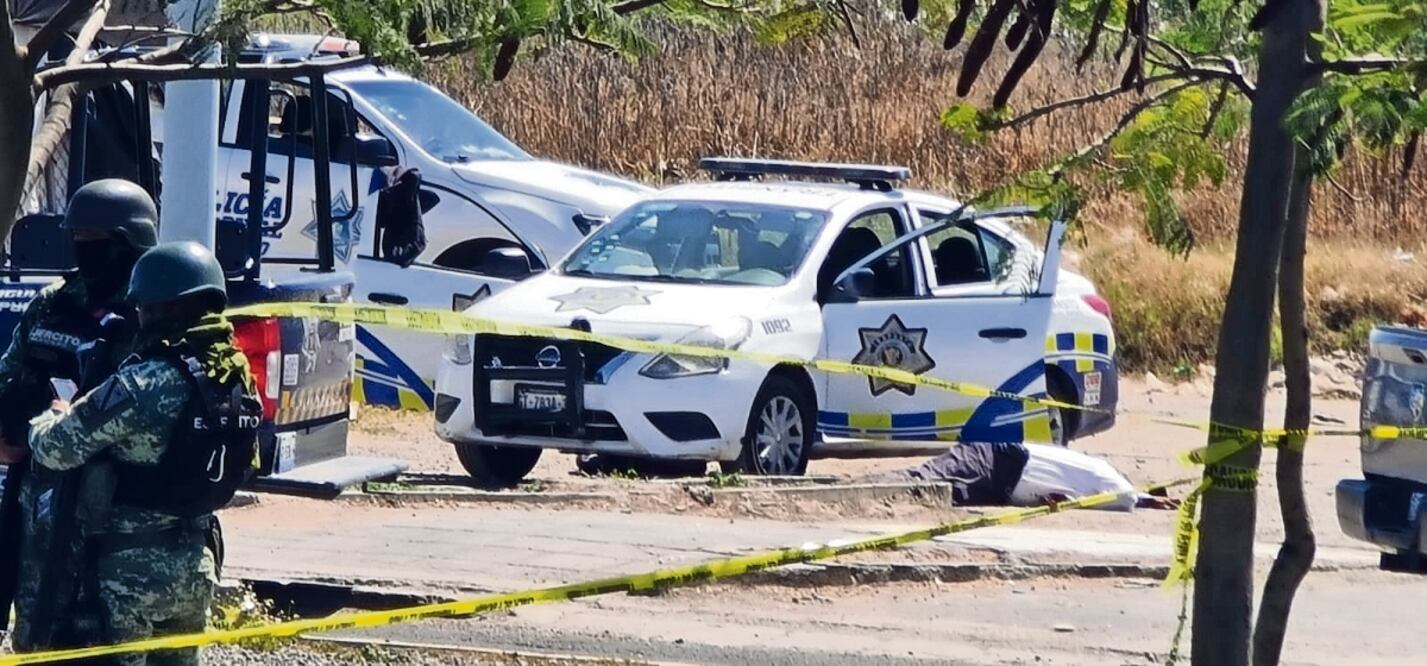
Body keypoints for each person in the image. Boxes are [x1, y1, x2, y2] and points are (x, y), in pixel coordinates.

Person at [28, 241, 260, 665]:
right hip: (196, 563)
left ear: (153, 308)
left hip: (128, 573)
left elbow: (54, 449)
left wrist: (52, 416)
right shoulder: (233, 374)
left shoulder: (145, 381)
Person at [0, 179, 159, 651]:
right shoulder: (54, 302)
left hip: (110, 502)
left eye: (98, 245)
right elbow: (11, 372)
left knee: (94, 631)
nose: (85, 253)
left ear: (131, 243)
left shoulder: (151, 311)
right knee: (34, 621)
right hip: (36, 486)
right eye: (78, 242)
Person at [871, 441, 1178, 511]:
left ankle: (874, 490)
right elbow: (1123, 499)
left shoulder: (1100, 471)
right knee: (921, 478)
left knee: (933, 491)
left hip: (1004, 479)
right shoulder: (1114, 484)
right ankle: (865, 489)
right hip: (1000, 463)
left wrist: (1148, 500)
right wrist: (1147, 502)